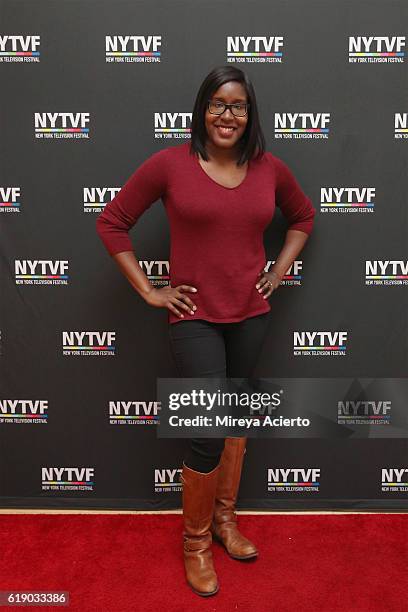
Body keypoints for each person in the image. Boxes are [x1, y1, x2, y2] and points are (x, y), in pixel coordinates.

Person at [96, 65, 316, 597]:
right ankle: (195, 541)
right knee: (206, 428)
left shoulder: (269, 168)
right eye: (218, 103)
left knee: (236, 420)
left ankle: (224, 521)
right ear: (202, 109)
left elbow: (304, 217)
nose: (228, 114)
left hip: (250, 315)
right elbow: (112, 221)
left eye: (238, 105)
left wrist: (278, 268)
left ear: (250, 114)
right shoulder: (170, 165)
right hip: (193, 318)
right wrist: (150, 291)